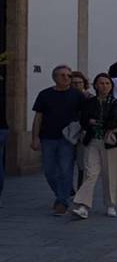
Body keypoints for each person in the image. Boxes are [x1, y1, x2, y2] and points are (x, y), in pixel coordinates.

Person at [31, 64, 85, 215]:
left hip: (67, 139)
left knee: (65, 170)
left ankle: (62, 202)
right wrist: (34, 138)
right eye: (62, 75)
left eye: (68, 75)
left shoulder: (77, 95)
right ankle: (63, 194)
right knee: (49, 171)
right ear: (54, 78)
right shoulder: (45, 94)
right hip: (47, 137)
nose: (66, 78)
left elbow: (84, 115)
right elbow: (38, 117)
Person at [71, 72, 117, 219]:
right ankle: (83, 205)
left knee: (111, 174)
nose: (104, 86)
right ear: (95, 85)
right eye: (101, 83)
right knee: (90, 173)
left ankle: (110, 204)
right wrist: (93, 122)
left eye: (107, 83)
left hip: (110, 142)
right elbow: (84, 120)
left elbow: (115, 120)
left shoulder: (115, 103)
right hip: (92, 140)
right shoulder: (89, 102)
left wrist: (97, 122)